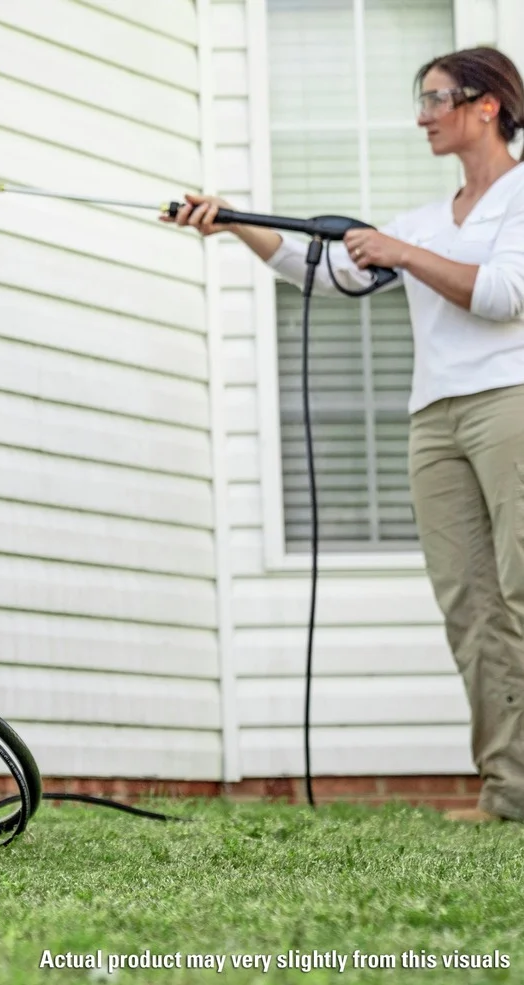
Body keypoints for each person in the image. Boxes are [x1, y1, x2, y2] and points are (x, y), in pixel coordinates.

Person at [164, 46, 524, 823]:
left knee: (523, 589)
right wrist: (234, 225)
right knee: (472, 607)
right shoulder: (428, 220)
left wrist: (400, 252)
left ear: (487, 104)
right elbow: (323, 271)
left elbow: (501, 295)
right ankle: (510, 793)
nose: (422, 115)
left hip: (511, 401)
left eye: (435, 99)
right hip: (436, 417)